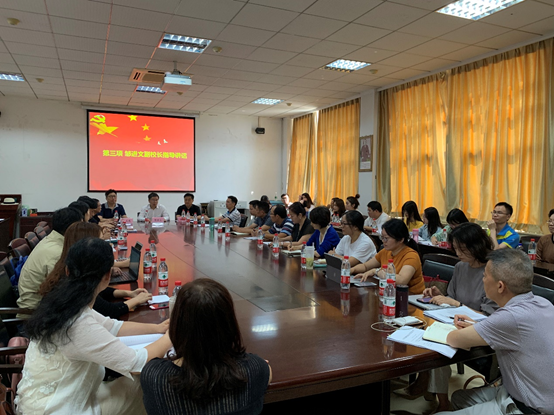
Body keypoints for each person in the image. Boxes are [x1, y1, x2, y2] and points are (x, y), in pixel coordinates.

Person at [15, 237, 172, 415]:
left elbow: (112, 326)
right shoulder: (77, 323)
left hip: (42, 399)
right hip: (57, 408)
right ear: (107, 276)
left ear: (67, 271)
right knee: (148, 383)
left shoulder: (63, 302)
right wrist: (172, 336)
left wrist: (157, 329)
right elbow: (136, 363)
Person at [397, 223, 498, 411]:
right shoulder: (460, 266)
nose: (458, 253)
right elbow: (452, 297)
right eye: (456, 248)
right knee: (422, 331)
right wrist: (440, 296)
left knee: (439, 345)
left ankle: (441, 401)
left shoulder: (491, 272)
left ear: (476, 245)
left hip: (477, 329)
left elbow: (489, 317)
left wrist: (456, 304)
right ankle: (429, 387)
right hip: (453, 321)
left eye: (462, 249)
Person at [439, 249, 554, 415]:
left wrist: (480, 328)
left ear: (500, 286)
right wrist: (481, 326)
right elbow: (514, 331)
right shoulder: (543, 303)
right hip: (528, 394)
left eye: (485, 275)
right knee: (459, 398)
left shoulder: (509, 317)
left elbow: (453, 339)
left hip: (527, 408)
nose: (482, 279)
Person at [141, 278, 271, 415]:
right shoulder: (256, 368)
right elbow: (266, 371)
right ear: (229, 324)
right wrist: (257, 365)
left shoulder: (154, 376)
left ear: (177, 324)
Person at [38, 222, 152, 319]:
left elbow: (99, 291)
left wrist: (128, 293)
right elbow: (109, 311)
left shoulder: (71, 265)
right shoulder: (74, 280)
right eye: (101, 240)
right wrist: (137, 300)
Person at [17, 207, 83, 314]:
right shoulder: (56, 252)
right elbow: (64, 291)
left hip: (45, 305)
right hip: (36, 314)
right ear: (72, 228)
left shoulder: (52, 240)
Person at [352, 219, 424, 293]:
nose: (383, 241)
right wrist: (351, 270)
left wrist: (377, 272)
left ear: (400, 239)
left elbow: (402, 281)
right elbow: (365, 266)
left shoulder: (411, 256)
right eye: (382, 237)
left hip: (410, 296)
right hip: (390, 292)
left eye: (386, 238)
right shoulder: (386, 251)